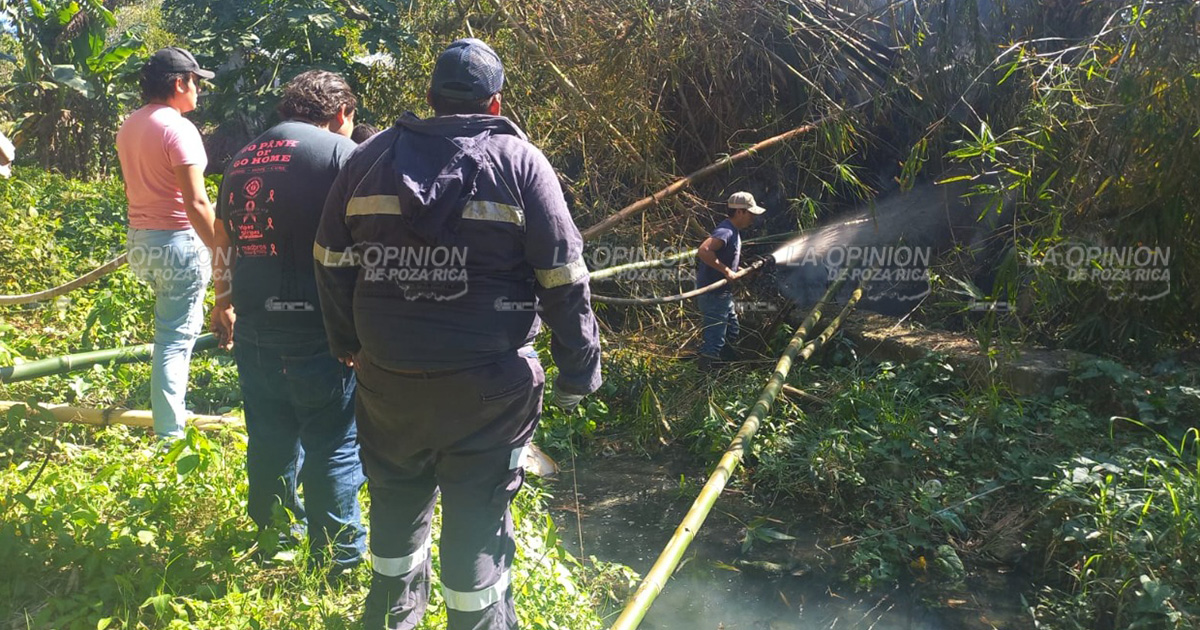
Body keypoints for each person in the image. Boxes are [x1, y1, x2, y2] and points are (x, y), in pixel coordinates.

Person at [314, 38, 601, 630]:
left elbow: (329, 261)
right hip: (488, 390)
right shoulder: (522, 165)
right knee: (476, 515)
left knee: (395, 505)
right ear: (495, 104)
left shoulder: (367, 159)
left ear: (428, 97)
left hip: (388, 381)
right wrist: (579, 371)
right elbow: (564, 278)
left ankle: (390, 619)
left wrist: (350, 346)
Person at [210, 70, 367, 575]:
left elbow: (222, 234)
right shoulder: (341, 155)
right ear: (340, 112)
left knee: (271, 437)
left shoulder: (244, 157)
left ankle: (274, 536)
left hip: (255, 325)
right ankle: (337, 561)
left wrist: (223, 300)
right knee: (335, 444)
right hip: (322, 332)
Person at [116, 47, 217, 439]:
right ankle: (169, 434)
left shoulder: (130, 125)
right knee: (175, 341)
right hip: (177, 242)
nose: (199, 91)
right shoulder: (178, 127)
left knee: (168, 333)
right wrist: (222, 253)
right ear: (179, 83)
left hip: (141, 241)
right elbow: (196, 201)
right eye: (196, 82)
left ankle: (169, 407)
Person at [694, 191, 766, 368]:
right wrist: (727, 271)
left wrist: (740, 271)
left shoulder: (734, 231)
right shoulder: (726, 231)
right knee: (715, 340)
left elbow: (724, 260)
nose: (753, 218)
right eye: (750, 213)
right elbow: (704, 251)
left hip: (723, 295)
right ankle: (706, 380)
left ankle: (724, 367)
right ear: (740, 212)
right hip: (713, 295)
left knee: (732, 331)